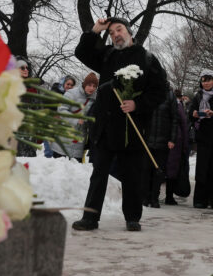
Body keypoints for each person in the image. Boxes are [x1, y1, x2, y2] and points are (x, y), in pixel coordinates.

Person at [71, 17, 167, 232]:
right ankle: (90, 218)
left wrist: (138, 104)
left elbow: (160, 91)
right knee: (99, 174)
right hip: (105, 126)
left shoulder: (147, 58)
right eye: (112, 32)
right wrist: (96, 30)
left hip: (132, 127)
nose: (115, 34)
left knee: (132, 175)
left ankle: (133, 217)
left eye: (119, 29)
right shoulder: (107, 55)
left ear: (129, 32)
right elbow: (82, 53)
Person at [189, 69, 213, 209]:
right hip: (202, 136)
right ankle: (200, 199)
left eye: (208, 80)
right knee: (201, 169)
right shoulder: (198, 96)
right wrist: (195, 114)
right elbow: (190, 113)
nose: (206, 83)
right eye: (203, 80)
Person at [142, 87, 178, 208]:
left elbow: (174, 118)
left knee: (159, 170)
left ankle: (154, 197)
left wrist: (172, 139)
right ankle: (145, 196)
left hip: (163, 140)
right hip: (147, 139)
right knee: (146, 169)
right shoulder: (147, 92)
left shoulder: (170, 95)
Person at [50, 72, 99, 162]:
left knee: (75, 170)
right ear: (84, 84)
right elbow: (61, 110)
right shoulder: (71, 93)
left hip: (79, 138)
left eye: (94, 86)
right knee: (58, 169)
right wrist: (76, 120)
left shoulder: (96, 98)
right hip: (64, 136)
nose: (92, 88)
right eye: (89, 85)